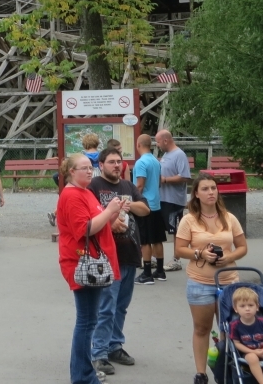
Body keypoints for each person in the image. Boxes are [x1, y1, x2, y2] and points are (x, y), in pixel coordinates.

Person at [56, 153, 124, 384]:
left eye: (90, 167)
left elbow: (97, 221)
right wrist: (109, 211)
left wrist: (113, 212)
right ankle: (83, 376)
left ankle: (83, 373)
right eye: (84, 168)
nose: (89, 171)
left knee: (89, 320)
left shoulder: (84, 192)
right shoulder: (72, 195)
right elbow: (84, 229)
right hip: (83, 263)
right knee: (86, 322)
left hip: (93, 262)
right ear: (71, 172)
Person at [174, 173, 248, 384]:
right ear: (196, 194)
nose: (211, 192)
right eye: (205, 189)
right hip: (200, 282)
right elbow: (179, 250)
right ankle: (201, 373)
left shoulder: (229, 217)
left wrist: (229, 257)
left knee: (229, 328)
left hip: (229, 281)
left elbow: (242, 247)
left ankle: (226, 370)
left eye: (213, 188)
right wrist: (200, 254)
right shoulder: (189, 220)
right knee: (202, 328)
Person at [88, 147, 150, 377]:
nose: (116, 165)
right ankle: (100, 353)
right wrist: (108, 219)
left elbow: (145, 209)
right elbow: (88, 217)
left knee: (121, 306)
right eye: (111, 162)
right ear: (101, 165)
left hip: (129, 254)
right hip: (105, 257)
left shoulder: (127, 186)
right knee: (106, 307)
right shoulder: (94, 187)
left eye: (119, 161)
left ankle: (115, 345)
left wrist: (126, 205)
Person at [157, 129, 192, 271]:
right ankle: (155, 258)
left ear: (166, 141)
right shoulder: (166, 154)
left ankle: (177, 260)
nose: (157, 145)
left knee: (176, 231)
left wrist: (165, 179)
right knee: (160, 228)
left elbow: (185, 176)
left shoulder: (179, 154)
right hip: (162, 198)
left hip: (174, 200)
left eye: (158, 142)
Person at [133, 133, 166, 284]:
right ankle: (160, 271)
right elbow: (159, 182)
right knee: (157, 239)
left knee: (145, 240)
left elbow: (139, 185)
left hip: (145, 205)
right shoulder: (155, 161)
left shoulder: (140, 163)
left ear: (138, 145)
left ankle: (147, 273)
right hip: (157, 204)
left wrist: (134, 200)